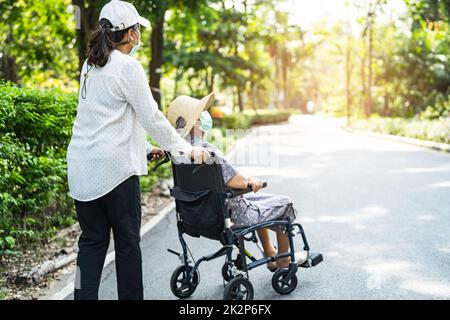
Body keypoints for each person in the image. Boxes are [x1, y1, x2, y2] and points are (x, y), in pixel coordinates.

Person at [66, 0, 209, 300]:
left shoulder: (90, 65)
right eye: (137, 30)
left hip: (82, 170)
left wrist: (144, 149)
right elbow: (153, 117)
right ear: (130, 34)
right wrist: (186, 150)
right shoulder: (127, 66)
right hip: (115, 174)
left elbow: (104, 119)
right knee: (128, 244)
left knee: (91, 243)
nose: (139, 35)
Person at [167, 94, 308, 271]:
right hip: (230, 214)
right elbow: (238, 182)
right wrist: (251, 181)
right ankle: (283, 261)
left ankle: (269, 252)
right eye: (200, 116)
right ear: (195, 122)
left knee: (260, 202)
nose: (203, 119)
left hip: (197, 215)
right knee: (285, 203)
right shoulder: (208, 152)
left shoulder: (177, 154)